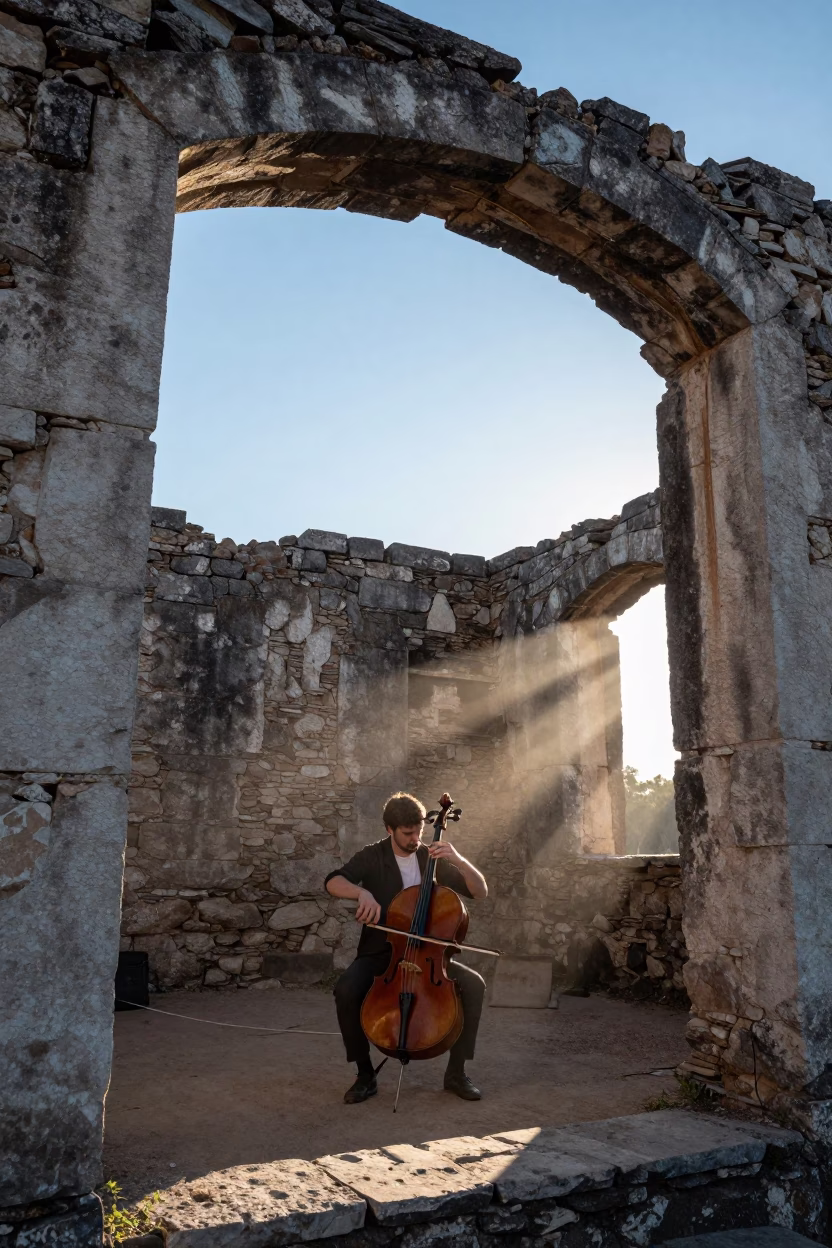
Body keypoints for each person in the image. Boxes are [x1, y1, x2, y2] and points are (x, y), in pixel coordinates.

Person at [325, 791, 488, 1105]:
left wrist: (458, 858)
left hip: (429, 958)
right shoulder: (373, 856)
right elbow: (333, 881)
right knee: (346, 990)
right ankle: (364, 1074)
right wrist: (361, 894)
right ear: (390, 829)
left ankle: (456, 1072)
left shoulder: (431, 856)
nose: (416, 839)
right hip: (383, 953)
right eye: (408, 833)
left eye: (419, 831)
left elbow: (479, 891)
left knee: (474, 986)